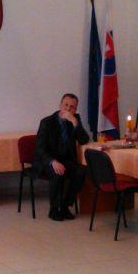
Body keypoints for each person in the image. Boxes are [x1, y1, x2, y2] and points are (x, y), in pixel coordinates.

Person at [34, 93, 89, 221]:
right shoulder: (47, 122)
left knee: (81, 172)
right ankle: (54, 209)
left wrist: (75, 122)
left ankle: (65, 206)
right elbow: (40, 148)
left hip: (67, 160)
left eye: (72, 107)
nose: (68, 109)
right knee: (57, 172)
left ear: (75, 109)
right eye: (66, 105)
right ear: (60, 105)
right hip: (49, 160)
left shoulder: (75, 119)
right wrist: (52, 161)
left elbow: (84, 140)